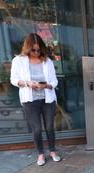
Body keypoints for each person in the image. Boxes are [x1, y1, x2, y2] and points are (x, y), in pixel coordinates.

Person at [10, 33, 61, 166]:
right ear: (27, 48)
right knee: (37, 128)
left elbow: (54, 81)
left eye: (39, 50)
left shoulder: (47, 61)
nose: (37, 52)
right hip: (30, 99)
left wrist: (45, 86)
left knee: (49, 126)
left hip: (47, 98)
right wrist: (28, 84)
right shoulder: (18, 61)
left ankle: (53, 151)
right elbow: (13, 80)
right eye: (33, 50)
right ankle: (40, 154)